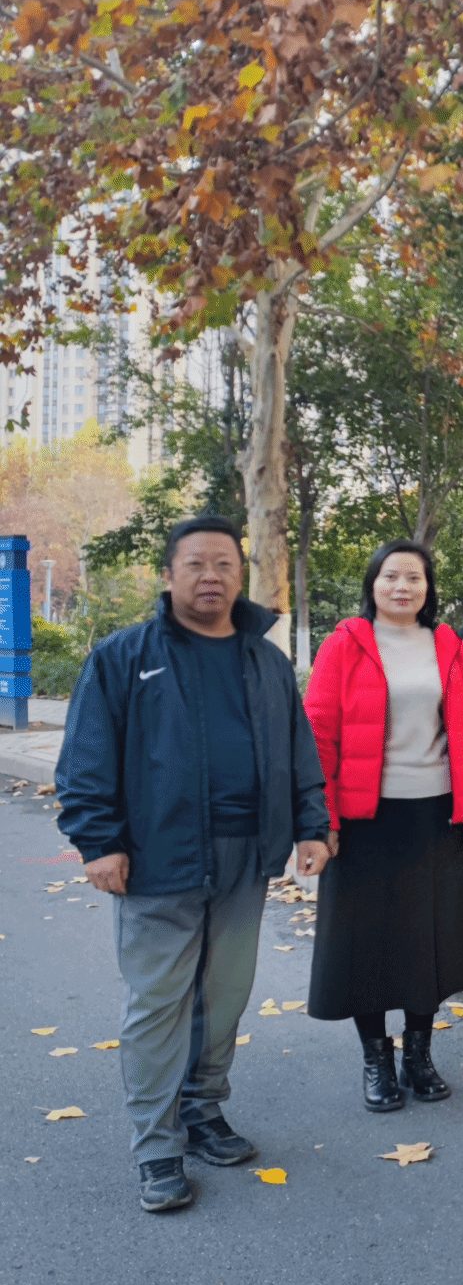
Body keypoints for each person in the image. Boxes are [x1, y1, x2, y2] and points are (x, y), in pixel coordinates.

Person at [56, 516, 331, 1213]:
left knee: (225, 994)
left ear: (241, 575)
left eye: (224, 565)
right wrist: (98, 841)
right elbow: (85, 757)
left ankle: (203, 1110)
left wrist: (312, 827)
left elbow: (298, 750)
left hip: (247, 858)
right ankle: (157, 1147)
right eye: (196, 565)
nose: (211, 576)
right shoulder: (124, 656)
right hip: (157, 857)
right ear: (168, 575)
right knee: (158, 1004)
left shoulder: (265, 659)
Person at [303, 540, 463, 1112]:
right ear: (373, 583)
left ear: (428, 588)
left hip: (432, 814)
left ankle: (418, 1054)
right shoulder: (344, 644)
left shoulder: (449, 645)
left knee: (424, 940)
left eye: (414, 577)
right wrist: (320, 818)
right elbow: (318, 735)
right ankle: (376, 1059)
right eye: (391, 576)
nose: (402, 586)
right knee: (364, 943)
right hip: (363, 818)